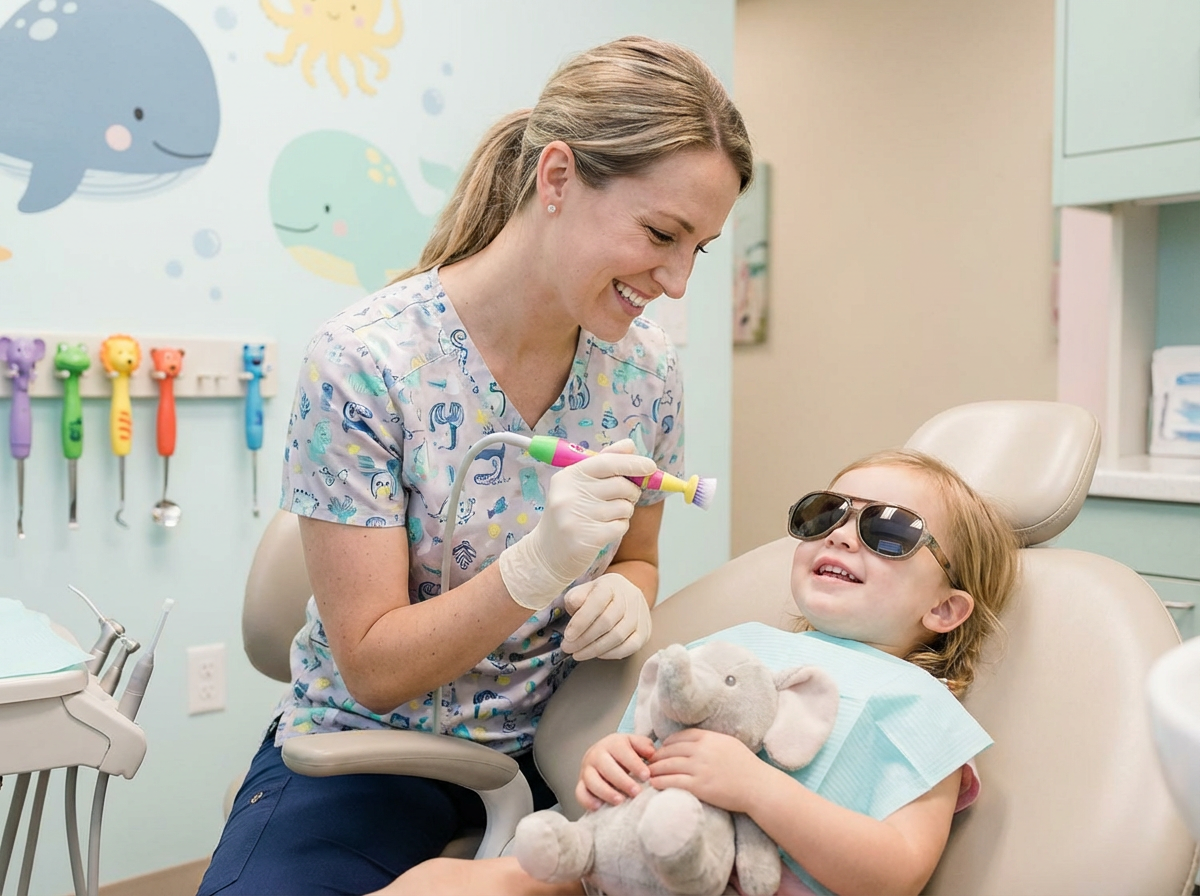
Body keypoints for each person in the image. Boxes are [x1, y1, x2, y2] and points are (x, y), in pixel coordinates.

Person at [196, 35, 753, 895]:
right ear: (558, 178)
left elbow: (639, 554)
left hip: (565, 749)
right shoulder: (367, 361)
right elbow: (376, 671)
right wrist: (535, 569)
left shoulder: (646, 376)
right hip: (366, 753)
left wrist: (626, 593)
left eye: (699, 249)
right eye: (660, 234)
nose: (677, 281)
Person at [380, 447, 1020, 896]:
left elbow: (897, 874)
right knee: (435, 881)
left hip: (753, 880)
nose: (842, 537)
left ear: (945, 608)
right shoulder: (737, 645)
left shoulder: (920, 705)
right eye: (826, 514)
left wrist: (756, 789)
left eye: (888, 530)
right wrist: (612, 761)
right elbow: (646, 757)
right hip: (629, 867)